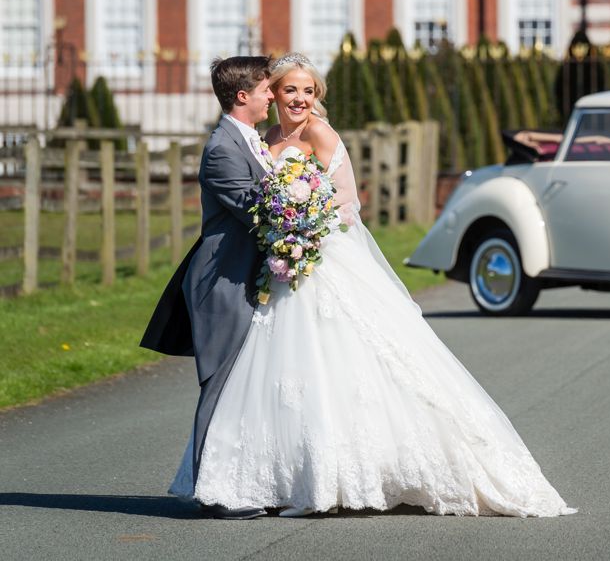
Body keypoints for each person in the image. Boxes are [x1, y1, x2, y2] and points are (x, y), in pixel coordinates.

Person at [166, 53, 575, 518]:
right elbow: (256, 201)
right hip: (280, 266)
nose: (299, 99)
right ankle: (280, 476)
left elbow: (346, 200)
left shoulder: (319, 134)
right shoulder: (263, 140)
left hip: (321, 257)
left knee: (350, 360)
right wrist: (287, 232)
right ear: (271, 94)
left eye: (309, 91)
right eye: (288, 90)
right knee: (275, 372)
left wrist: (306, 225)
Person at [141, 56, 275, 519]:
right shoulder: (223, 148)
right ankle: (213, 493)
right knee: (219, 383)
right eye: (265, 90)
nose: (272, 96)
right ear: (243, 96)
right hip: (222, 281)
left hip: (245, 276)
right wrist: (308, 212)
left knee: (244, 384)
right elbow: (260, 212)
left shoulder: (249, 140)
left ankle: (241, 483)